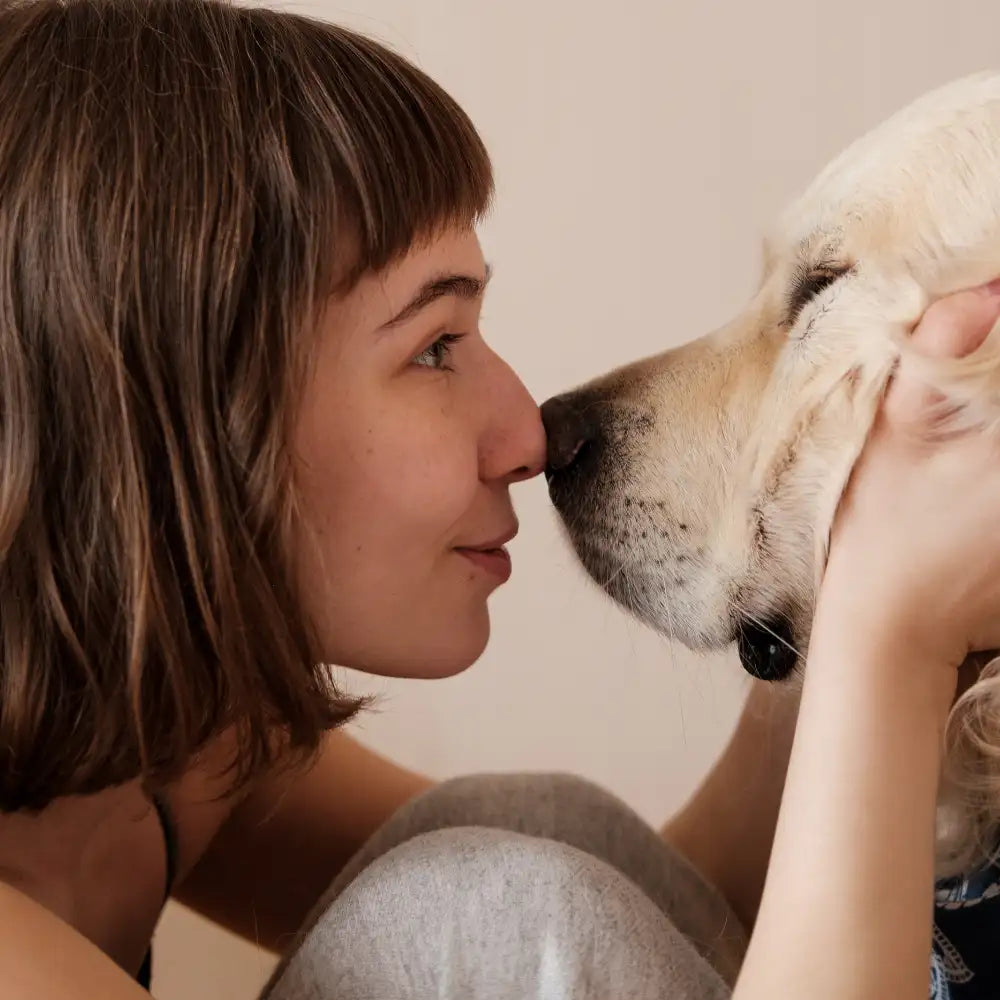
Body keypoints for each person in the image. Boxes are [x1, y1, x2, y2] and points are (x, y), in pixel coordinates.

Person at [0, 1, 998, 998]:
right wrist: (891, 636)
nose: (528, 431)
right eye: (434, 347)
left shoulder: (178, 741)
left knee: (547, 837)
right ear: (194, 412)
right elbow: (525, 959)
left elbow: (660, 912)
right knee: (486, 927)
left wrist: (832, 543)